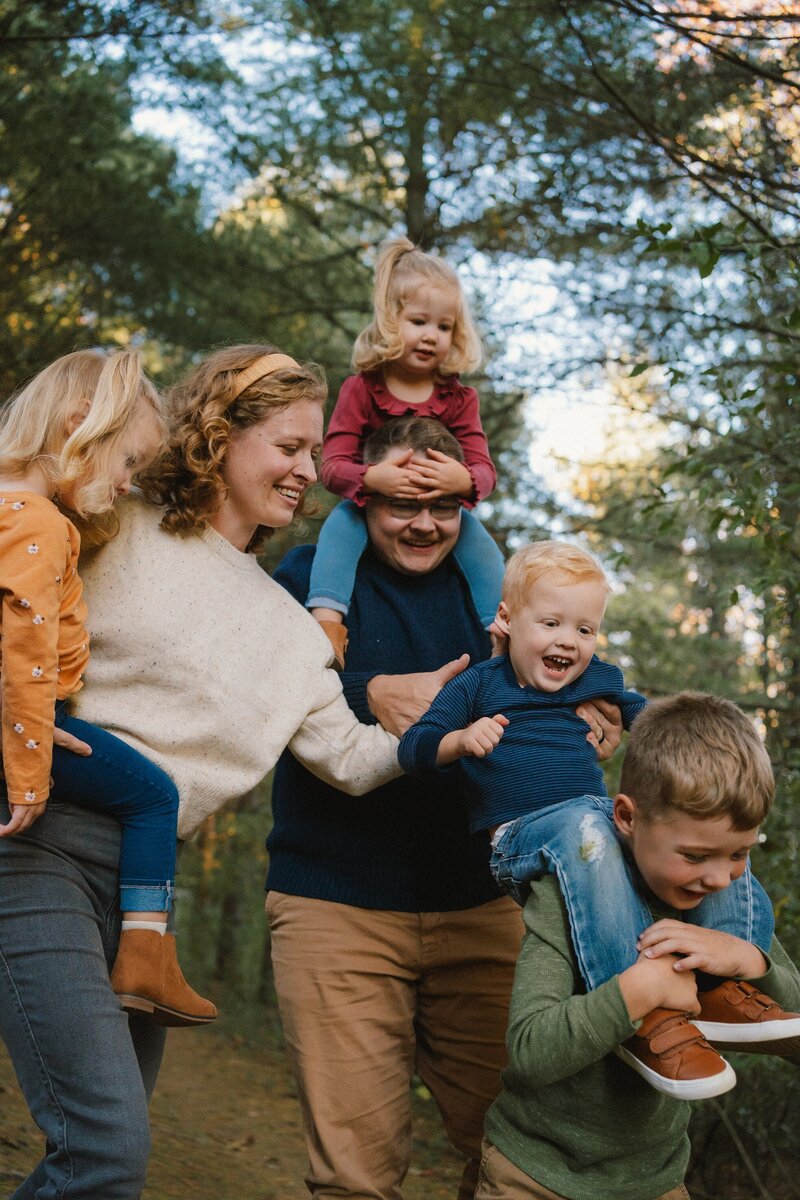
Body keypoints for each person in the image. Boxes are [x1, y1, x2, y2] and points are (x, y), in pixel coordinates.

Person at [0, 344, 401, 1200]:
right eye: (289, 447)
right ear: (220, 436)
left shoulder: (294, 633)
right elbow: (16, 598)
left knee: (107, 1152)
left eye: (314, 451)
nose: (309, 471)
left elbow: (359, 761)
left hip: (146, 892)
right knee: (105, 1148)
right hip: (38, 845)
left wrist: (476, 703)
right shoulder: (118, 518)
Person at [266, 416, 622, 1200]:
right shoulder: (303, 581)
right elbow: (261, 695)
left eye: (444, 506)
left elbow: (569, 644)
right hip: (336, 903)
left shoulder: (496, 596)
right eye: (402, 502)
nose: (423, 522)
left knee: (516, 1154)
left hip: (488, 905)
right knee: (355, 1176)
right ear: (364, 494)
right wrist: (369, 693)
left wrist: (603, 703)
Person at [399, 540, 783, 1098]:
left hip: (595, 824)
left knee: (707, 830)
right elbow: (414, 747)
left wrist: (704, 754)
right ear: (506, 619)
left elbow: (651, 724)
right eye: (552, 622)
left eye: (585, 629)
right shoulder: (478, 685)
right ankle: (638, 1007)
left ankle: (724, 980)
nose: (569, 642)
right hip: (522, 839)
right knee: (587, 821)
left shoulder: (595, 680)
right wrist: (460, 740)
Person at [474, 693, 800, 1200]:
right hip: (536, 1175)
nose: (718, 877)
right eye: (695, 855)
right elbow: (529, 1053)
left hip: (656, 1180)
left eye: (739, 854)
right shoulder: (567, 892)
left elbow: (792, 1025)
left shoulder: (718, 901)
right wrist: (635, 993)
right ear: (626, 817)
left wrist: (750, 961)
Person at [0, 347, 215, 1026]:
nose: (127, 485)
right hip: (32, 715)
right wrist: (29, 765)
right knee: (155, 794)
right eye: (126, 463)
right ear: (76, 425)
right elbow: (26, 647)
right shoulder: (38, 522)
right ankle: (144, 957)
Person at [307, 236, 504, 667]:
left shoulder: (459, 397)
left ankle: (501, 635)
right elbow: (333, 465)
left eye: (444, 326)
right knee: (340, 528)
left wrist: (465, 481)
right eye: (419, 322)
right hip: (373, 504)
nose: (432, 336)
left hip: (437, 502)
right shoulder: (362, 388)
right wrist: (370, 479)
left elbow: (484, 469)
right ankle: (325, 626)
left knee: (480, 543)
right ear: (391, 321)